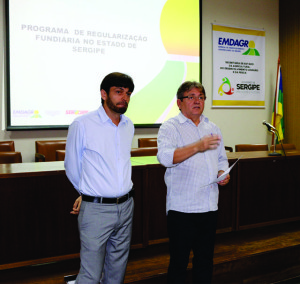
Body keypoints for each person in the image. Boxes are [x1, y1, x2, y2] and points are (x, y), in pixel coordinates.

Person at [64, 72, 135, 284]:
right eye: (118, 92)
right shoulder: (83, 124)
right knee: (90, 274)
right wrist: (87, 192)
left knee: (116, 272)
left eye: (128, 93)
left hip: (126, 206)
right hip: (96, 210)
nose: (124, 97)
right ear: (104, 94)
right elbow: (72, 166)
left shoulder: (128, 125)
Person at [157, 81, 230, 284]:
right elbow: (165, 157)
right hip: (182, 209)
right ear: (179, 102)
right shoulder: (170, 127)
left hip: (209, 206)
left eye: (201, 97)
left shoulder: (212, 127)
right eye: (192, 97)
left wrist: (223, 172)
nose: (197, 101)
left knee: (205, 261)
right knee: (179, 263)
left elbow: (222, 158)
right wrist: (198, 146)